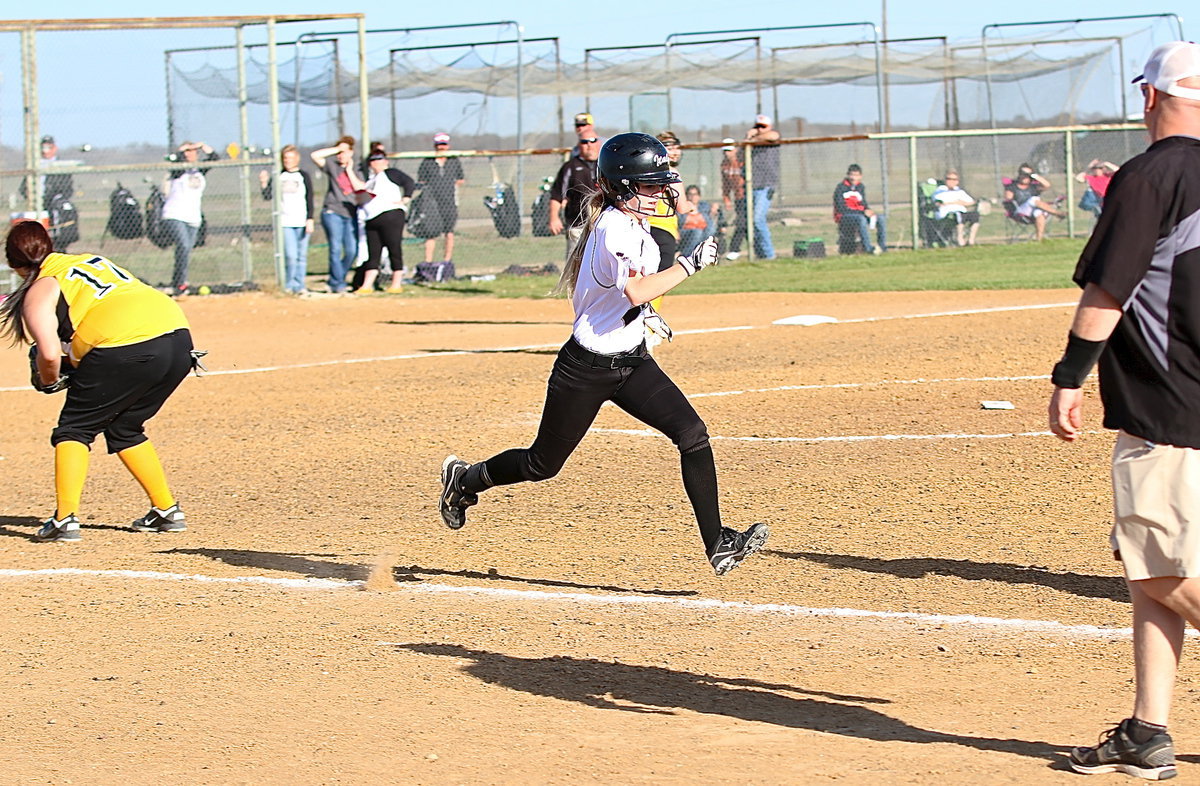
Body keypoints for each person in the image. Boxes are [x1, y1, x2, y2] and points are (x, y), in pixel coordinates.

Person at [437, 132, 768, 577]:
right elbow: (634, 289)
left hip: (631, 362)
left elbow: (631, 297)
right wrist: (689, 265)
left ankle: (718, 543)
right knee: (542, 464)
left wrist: (646, 316)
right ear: (624, 187)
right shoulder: (614, 227)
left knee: (692, 435)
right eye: (650, 185)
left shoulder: (636, 227)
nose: (661, 192)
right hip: (586, 369)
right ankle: (466, 479)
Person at [1048, 41, 1200, 781]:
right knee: (1151, 569)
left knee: (1167, 568)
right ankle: (1148, 730)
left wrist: (1070, 376)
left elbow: (1109, 289)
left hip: (1171, 407)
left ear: (1150, 97)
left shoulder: (1152, 173)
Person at [0, 220, 197, 543]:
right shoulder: (87, 261)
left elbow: (49, 355)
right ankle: (166, 510)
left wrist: (50, 382)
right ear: (48, 247)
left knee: (73, 429)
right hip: (178, 337)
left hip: (126, 344)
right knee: (124, 426)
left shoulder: (39, 290)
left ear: (14, 265)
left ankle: (64, 520)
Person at [161, 140, 218, 297]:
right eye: (187, 152)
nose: (189, 154)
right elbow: (174, 160)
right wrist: (182, 151)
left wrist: (203, 146)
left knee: (185, 251)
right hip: (174, 214)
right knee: (184, 245)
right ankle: (180, 284)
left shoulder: (199, 170)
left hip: (193, 217)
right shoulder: (177, 170)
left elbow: (215, 158)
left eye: (192, 151)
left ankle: (178, 283)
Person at [354, 149, 415, 294]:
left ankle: (396, 283)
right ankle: (367, 285)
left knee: (394, 248)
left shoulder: (390, 173)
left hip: (391, 215)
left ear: (385, 161)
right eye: (373, 160)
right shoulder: (370, 180)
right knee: (373, 252)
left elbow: (409, 182)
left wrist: (405, 198)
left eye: (379, 159)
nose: (376, 163)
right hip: (372, 218)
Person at [311, 136, 365, 294]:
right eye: (339, 153)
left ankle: (335, 279)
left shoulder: (358, 170)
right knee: (335, 248)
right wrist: (336, 149)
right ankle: (337, 283)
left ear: (352, 152)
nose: (341, 155)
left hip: (350, 213)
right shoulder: (332, 166)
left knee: (351, 250)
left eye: (345, 152)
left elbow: (361, 188)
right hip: (332, 211)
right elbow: (315, 156)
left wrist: (349, 169)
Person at [258, 145, 315, 295]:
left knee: (301, 256)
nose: (288, 161)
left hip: (301, 220)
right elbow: (267, 196)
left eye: (291, 158)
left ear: (297, 159)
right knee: (291, 255)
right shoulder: (279, 176)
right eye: (285, 158)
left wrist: (310, 218)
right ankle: (289, 285)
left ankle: (299, 285)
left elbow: (309, 198)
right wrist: (264, 182)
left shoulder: (303, 176)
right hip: (285, 221)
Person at [548, 133, 600, 260]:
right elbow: (557, 195)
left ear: (598, 143)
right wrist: (554, 218)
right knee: (574, 266)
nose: (589, 145)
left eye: (592, 141)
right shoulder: (570, 167)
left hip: (602, 224)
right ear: (579, 145)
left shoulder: (605, 164)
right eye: (584, 142)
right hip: (578, 225)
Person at [417, 133, 465, 269]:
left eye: (444, 144)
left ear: (448, 145)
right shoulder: (428, 161)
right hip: (432, 202)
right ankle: (428, 261)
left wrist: (450, 185)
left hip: (450, 201)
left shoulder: (453, 160)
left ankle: (447, 260)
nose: (441, 147)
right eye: (439, 144)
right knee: (431, 233)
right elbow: (422, 180)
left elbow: (460, 178)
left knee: (449, 232)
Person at [744, 114, 780, 260]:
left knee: (758, 220)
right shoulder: (751, 140)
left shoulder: (772, 137)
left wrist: (754, 138)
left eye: (763, 127)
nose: (759, 130)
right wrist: (750, 137)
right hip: (752, 184)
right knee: (750, 221)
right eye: (757, 126)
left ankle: (769, 255)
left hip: (766, 184)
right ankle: (760, 253)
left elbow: (773, 136)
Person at [833, 164, 887, 255]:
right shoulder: (840, 188)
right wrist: (862, 212)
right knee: (861, 219)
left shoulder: (860, 187)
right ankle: (868, 248)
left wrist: (868, 210)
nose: (854, 178)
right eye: (852, 175)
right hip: (845, 216)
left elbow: (863, 203)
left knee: (881, 218)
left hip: (859, 213)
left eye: (856, 175)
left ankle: (882, 247)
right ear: (848, 175)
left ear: (860, 176)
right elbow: (841, 208)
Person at [1005, 167, 1065, 241]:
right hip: (1020, 211)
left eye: (1028, 175)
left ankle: (1039, 240)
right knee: (1033, 199)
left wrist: (1034, 176)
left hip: (1033, 211)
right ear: (1019, 175)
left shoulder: (1033, 187)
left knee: (1039, 213)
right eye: (1023, 174)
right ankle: (1057, 213)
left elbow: (1047, 185)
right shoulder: (1013, 187)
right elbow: (1008, 200)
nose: (1025, 177)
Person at [931, 170, 980, 246]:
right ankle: (960, 240)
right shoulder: (940, 190)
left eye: (954, 179)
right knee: (958, 216)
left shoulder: (959, 191)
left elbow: (971, 202)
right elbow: (939, 202)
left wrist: (960, 203)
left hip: (962, 211)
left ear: (957, 181)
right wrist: (956, 202)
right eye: (949, 179)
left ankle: (971, 240)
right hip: (947, 213)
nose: (951, 181)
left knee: (975, 215)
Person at [719, 138, 747, 260]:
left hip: (748, 196)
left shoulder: (742, 162)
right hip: (738, 197)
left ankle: (735, 248)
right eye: (725, 151)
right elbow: (725, 184)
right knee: (743, 222)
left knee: (743, 222)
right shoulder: (724, 165)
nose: (727, 153)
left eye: (729, 150)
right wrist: (726, 198)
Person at [678, 185, 717, 257]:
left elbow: (715, 209)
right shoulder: (683, 207)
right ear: (686, 196)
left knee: (710, 229)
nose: (693, 196)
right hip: (687, 232)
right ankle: (687, 255)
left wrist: (715, 207)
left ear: (699, 196)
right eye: (690, 194)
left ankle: (700, 254)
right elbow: (679, 223)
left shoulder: (704, 206)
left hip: (704, 233)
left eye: (695, 194)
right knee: (697, 232)